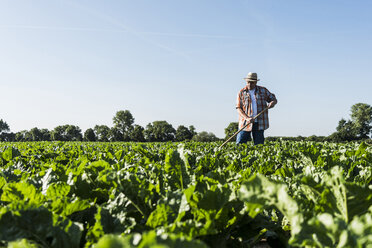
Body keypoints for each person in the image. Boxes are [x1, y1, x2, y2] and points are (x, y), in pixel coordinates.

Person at [236, 72, 277, 145]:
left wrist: (272, 103)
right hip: (245, 123)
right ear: (246, 81)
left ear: (256, 82)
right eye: (248, 82)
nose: (249, 84)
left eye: (252, 82)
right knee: (240, 144)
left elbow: (273, 99)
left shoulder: (263, 90)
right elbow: (238, 108)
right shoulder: (241, 92)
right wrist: (247, 118)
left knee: (259, 145)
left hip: (259, 123)